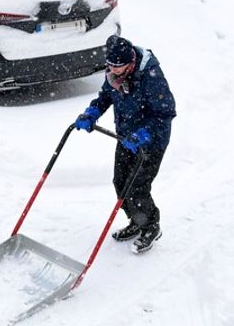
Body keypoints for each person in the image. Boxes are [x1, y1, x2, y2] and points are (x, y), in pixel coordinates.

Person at [74, 34, 176, 254]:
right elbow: (105, 97)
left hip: (151, 141)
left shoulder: (151, 76)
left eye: (118, 67)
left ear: (131, 63)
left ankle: (150, 226)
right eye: (110, 66)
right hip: (125, 137)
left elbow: (165, 113)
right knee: (120, 182)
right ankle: (137, 220)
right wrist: (92, 113)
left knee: (137, 187)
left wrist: (143, 135)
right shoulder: (113, 74)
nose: (113, 71)